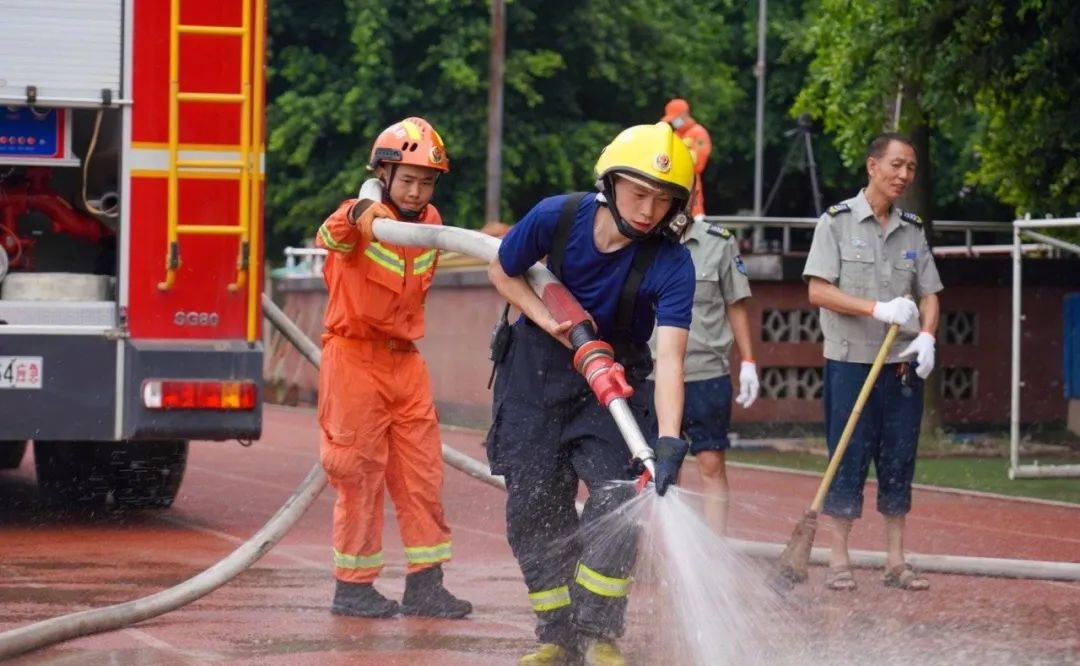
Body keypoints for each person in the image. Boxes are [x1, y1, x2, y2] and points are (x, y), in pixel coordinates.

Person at [486, 122, 697, 665]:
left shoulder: (672, 262)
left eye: (663, 200)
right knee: (533, 506)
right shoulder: (557, 217)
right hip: (535, 374)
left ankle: (599, 633)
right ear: (611, 182)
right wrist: (550, 320)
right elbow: (502, 268)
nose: (649, 210)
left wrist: (669, 440)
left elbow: (672, 355)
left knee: (617, 498)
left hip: (615, 384)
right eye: (639, 193)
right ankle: (557, 637)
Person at [315, 116, 472, 619]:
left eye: (426, 181)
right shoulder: (356, 215)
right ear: (383, 175)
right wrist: (359, 212)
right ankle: (353, 587)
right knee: (358, 473)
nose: (417, 190)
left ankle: (426, 585)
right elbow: (331, 236)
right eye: (407, 179)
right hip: (354, 360)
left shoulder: (429, 224)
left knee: (422, 475)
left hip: (405, 363)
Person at [802, 132, 942, 592]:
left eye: (911, 168)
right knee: (848, 459)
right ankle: (838, 559)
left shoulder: (912, 229)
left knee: (899, 459)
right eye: (896, 165)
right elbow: (818, 289)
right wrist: (875, 308)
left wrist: (926, 336)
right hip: (851, 363)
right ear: (872, 166)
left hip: (900, 366)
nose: (904, 175)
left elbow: (930, 293)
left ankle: (896, 561)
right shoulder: (836, 222)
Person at [644, 221, 759, 536]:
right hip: (651, 372)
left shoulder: (717, 242)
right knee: (658, 467)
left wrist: (748, 360)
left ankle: (715, 548)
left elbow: (735, 304)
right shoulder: (642, 236)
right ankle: (661, 548)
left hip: (705, 371)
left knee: (711, 462)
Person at [661, 98, 712, 222]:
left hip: (692, 196)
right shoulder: (675, 135)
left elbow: (698, 164)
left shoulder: (699, 133)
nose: (673, 121)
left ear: (685, 114)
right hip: (674, 193)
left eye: (675, 117)